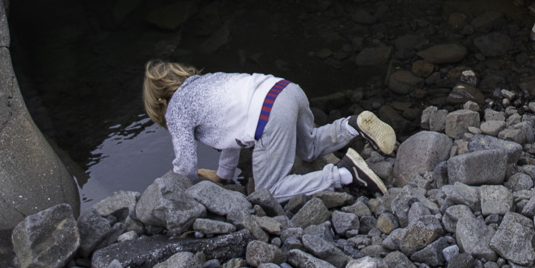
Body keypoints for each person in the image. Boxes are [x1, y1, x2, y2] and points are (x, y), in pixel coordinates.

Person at [142, 61, 394, 199]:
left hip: (268, 114)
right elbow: (229, 136)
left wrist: (169, 193)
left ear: (161, 103)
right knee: (310, 147)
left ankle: (345, 174)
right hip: (285, 89)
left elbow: (185, 166)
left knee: (268, 191)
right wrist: (223, 175)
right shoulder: (205, 83)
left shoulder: (175, 108)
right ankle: (352, 125)